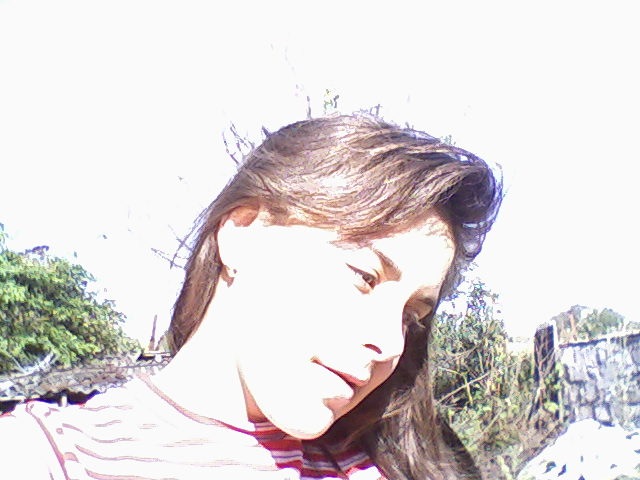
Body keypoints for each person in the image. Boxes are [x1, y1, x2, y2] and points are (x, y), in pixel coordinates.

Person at [0, 114, 502, 479]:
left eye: (411, 316)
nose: (390, 342)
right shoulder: (52, 456)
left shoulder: (394, 467)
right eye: (364, 276)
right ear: (242, 233)